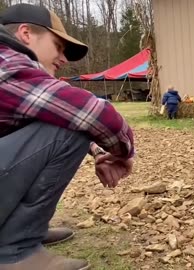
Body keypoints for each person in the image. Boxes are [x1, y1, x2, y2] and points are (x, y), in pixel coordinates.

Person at [0, 4, 135, 270]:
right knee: (71, 128)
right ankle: (16, 249)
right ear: (26, 33)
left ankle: (21, 230)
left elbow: (47, 115)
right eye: (58, 46)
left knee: (66, 121)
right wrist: (124, 153)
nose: (63, 59)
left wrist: (98, 152)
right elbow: (94, 113)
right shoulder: (8, 64)